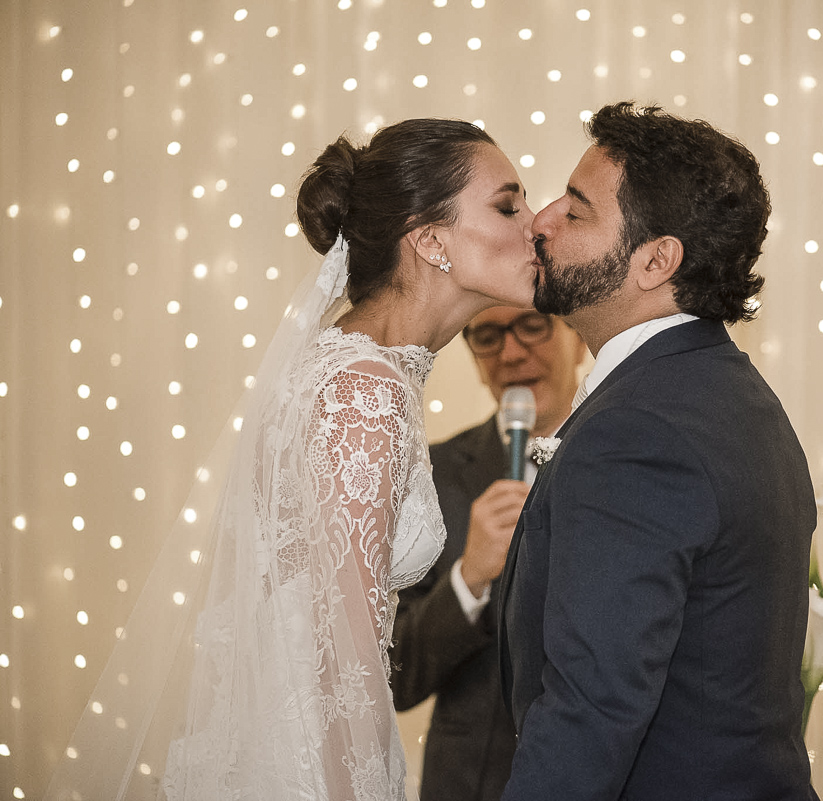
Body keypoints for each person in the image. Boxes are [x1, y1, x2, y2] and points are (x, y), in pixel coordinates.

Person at [45, 119, 537, 801]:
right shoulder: (363, 389)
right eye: (508, 205)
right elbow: (341, 661)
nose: (534, 226)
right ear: (429, 239)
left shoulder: (354, 369)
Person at [497, 102, 821, 800]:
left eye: (577, 211)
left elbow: (591, 709)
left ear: (655, 260)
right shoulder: (734, 395)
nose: (542, 220)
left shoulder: (637, 429)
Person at [388, 307, 585, 801]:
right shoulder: (431, 472)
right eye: (488, 336)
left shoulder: (627, 459)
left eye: (533, 325)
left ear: (579, 338)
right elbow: (395, 676)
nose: (512, 352)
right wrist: (469, 578)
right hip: (470, 784)